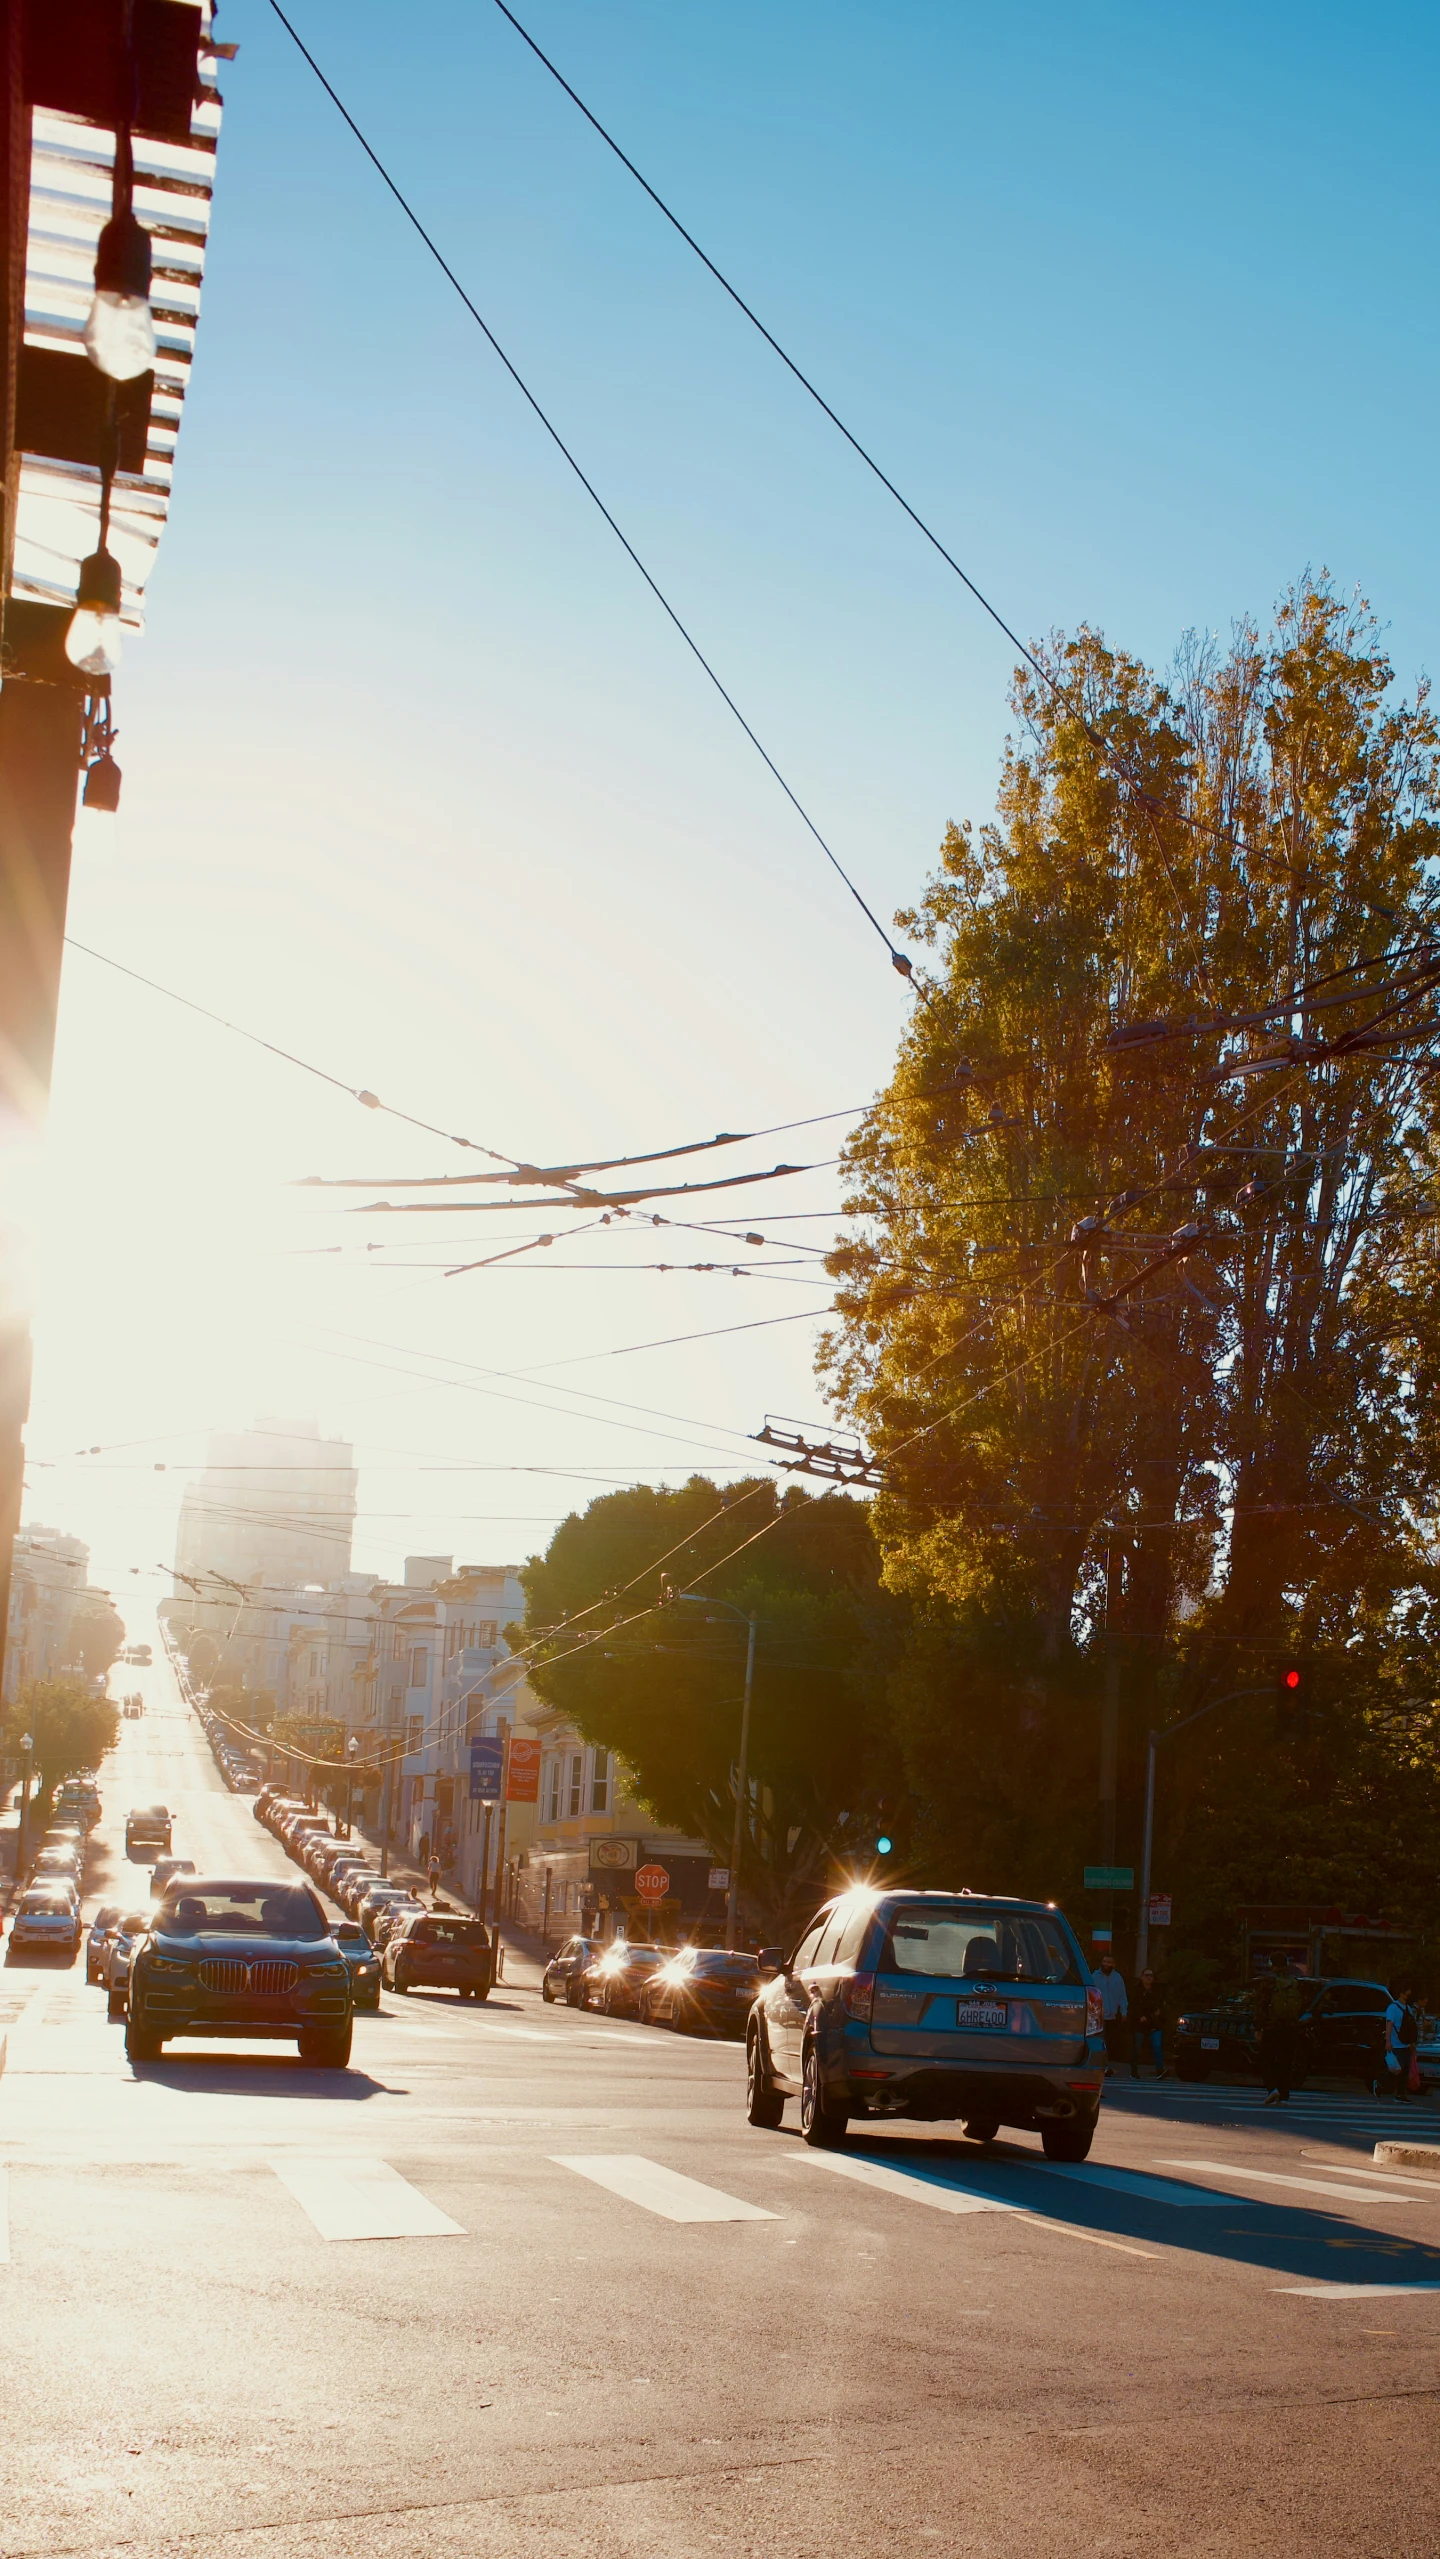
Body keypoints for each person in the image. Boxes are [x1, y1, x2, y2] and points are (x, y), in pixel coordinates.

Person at [1260, 1966, 1304, 2105]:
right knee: (1285, 2062)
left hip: (1272, 2027)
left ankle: (1272, 2089)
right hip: (1291, 2027)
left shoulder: (1269, 1982)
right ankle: (1284, 2095)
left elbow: (1261, 2005)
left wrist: (1258, 2026)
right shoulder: (1295, 1982)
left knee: (1266, 2059)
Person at [1095, 1949, 1127, 2076]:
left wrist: (1124, 2011)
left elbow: (1122, 1996)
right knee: (1100, 2040)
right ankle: (1103, 2066)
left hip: (1112, 2015)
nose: (1107, 1964)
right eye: (1105, 1961)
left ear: (1113, 1964)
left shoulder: (1117, 1978)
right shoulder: (1094, 1977)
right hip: (1099, 2015)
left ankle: (1105, 2063)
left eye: (1109, 1962)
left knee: (1110, 2042)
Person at [1384, 1984, 1418, 2100]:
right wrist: (1388, 2041)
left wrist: (1412, 2043)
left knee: (1404, 2071)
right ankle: (1379, 2083)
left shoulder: (1408, 2009)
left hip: (1406, 2045)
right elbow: (1389, 2025)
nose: (1408, 1995)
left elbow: (1412, 2027)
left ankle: (1400, 2094)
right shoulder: (1392, 2008)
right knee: (1395, 2070)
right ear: (1401, 1993)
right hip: (1396, 2044)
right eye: (1406, 1992)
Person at [1130, 1968, 1166, 2078]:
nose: (1148, 1977)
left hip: (1154, 2022)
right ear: (1142, 1977)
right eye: (1146, 1975)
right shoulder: (1136, 1990)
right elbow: (1133, 2005)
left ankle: (1160, 2070)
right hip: (1140, 2023)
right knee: (1137, 2047)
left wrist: (1159, 2012)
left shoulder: (1158, 1990)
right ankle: (1134, 2071)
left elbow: (1162, 2003)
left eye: (1150, 1975)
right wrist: (1139, 2016)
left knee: (1157, 2045)